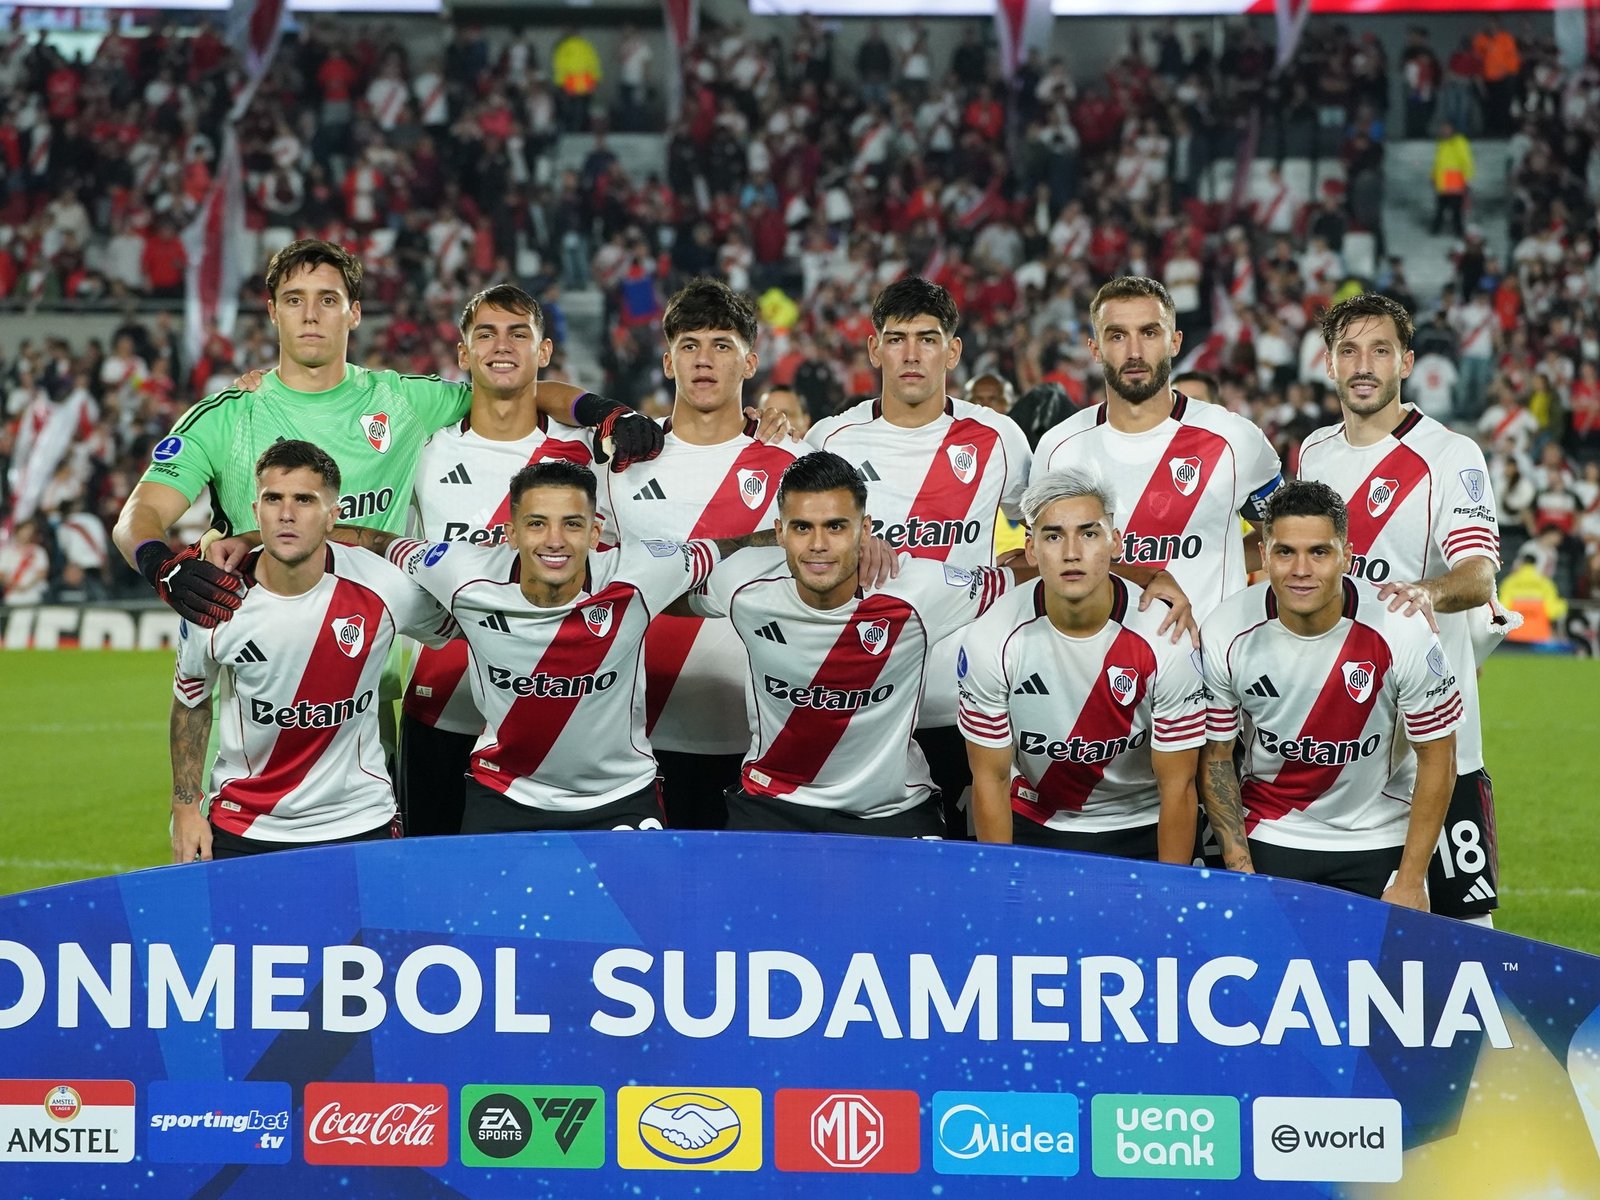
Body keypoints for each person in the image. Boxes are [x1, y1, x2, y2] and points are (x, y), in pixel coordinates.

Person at [113, 239, 662, 629]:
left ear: (353, 314)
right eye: (294, 300)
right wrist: (163, 566)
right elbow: (138, 516)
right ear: (272, 313)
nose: (311, 315)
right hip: (259, 651)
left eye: (328, 300)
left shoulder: (402, 400)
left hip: (370, 662)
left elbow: (513, 387)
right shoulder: (227, 415)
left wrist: (602, 411)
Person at [380, 461, 775, 832]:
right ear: (511, 534)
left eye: (571, 524)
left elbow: (731, 547)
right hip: (504, 795)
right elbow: (382, 543)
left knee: (639, 907)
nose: (554, 541)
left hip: (620, 798)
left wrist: (801, 541)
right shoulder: (460, 571)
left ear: (593, 533)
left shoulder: (641, 570)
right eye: (537, 524)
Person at [1298, 291, 1502, 922]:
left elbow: (1479, 574)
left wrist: (1426, 592)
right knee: (1348, 927)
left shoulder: (1450, 454)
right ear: (1328, 364)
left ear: (1406, 362)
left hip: (1437, 740)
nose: (1364, 365)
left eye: (1380, 350)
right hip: (1343, 737)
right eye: (1348, 351)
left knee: (1467, 928)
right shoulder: (1312, 453)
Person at [689, 451, 1019, 837]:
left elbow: (1025, 581)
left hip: (892, 812)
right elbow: (667, 592)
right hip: (772, 805)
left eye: (836, 527)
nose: (818, 544)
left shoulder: (918, 588)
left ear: (865, 531)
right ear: (778, 533)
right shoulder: (742, 582)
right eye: (801, 528)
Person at [807, 277, 1033, 837]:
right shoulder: (831, 440)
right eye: (897, 338)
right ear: (873, 348)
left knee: (965, 881)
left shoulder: (1000, 438)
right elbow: (789, 546)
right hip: (858, 701)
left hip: (966, 706)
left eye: (928, 339)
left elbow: (1049, 540)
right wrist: (844, 541)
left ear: (952, 351)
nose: (911, 354)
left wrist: (1005, 575)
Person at [169, 441, 456, 862]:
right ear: (256, 511)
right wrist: (185, 808)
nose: (287, 513)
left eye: (304, 499)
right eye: (274, 499)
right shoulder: (213, 600)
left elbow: (467, 635)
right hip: (246, 824)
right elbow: (190, 705)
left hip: (359, 821)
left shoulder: (385, 587)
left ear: (332, 517)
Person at [595, 279, 805, 829]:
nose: (704, 360)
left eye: (721, 345)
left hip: (760, 731)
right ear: (668, 362)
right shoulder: (620, 464)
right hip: (636, 732)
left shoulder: (794, 464)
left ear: (751, 361)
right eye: (689, 345)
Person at [1197, 481, 1461, 911]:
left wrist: (1411, 881)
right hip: (1272, 831)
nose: (1301, 569)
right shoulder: (1226, 630)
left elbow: (1439, 758)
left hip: (1378, 835)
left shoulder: (1401, 629)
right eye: (1285, 552)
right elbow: (1217, 757)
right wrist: (1239, 866)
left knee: (1379, 976)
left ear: (1347, 557)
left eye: (1319, 552)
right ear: (1263, 556)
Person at [397, 283, 599, 837]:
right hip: (441, 701)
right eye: (485, 334)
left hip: (553, 705)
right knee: (431, 882)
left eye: (518, 334)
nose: (501, 346)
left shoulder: (589, 453)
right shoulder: (422, 451)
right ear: (463, 353)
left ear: (545, 352)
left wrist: (761, 424)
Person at [959, 470, 1207, 862]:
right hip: (1036, 822)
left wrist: (1169, 893)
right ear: (1031, 549)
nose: (1071, 552)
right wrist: (998, 884)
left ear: (1115, 543)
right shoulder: (991, 637)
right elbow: (990, 779)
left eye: (1089, 534)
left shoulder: (1166, 639)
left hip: (1143, 823)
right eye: (1053, 536)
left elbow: (1178, 786)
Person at [1031, 276, 1282, 625]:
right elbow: (1044, 563)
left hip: (1211, 668)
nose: (1134, 352)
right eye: (1117, 335)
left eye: (1149, 333)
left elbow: (1283, 537)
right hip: (1099, 669)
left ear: (1175, 341)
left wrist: (1224, 561)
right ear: (1094, 349)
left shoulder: (1235, 438)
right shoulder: (1059, 449)